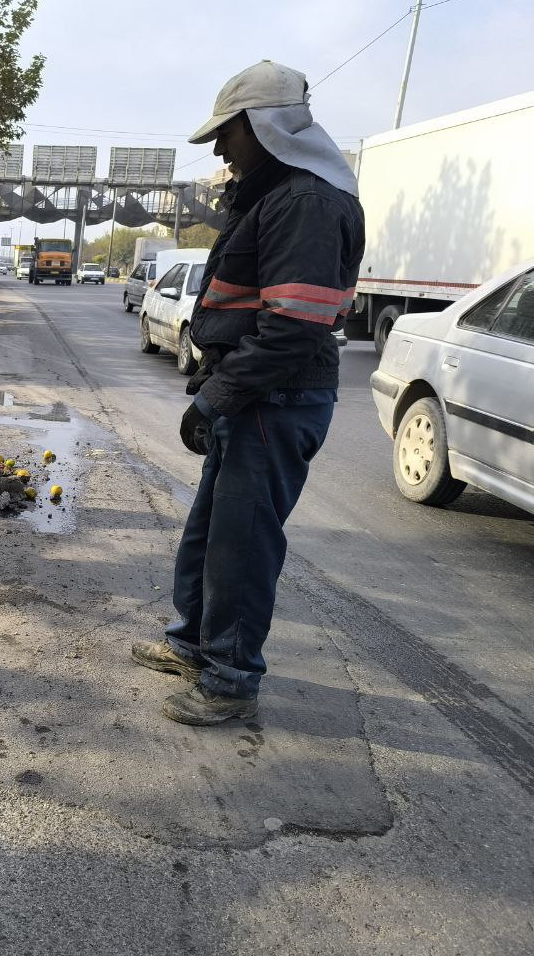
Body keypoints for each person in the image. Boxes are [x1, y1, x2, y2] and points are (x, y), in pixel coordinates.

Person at [130, 61, 365, 725]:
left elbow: (291, 329)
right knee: (211, 533)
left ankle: (230, 680)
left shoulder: (306, 202)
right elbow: (250, 310)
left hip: (277, 400)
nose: (218, 149)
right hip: (254, 396)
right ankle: (193, 646)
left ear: (265, 128)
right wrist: (215, 384)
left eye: (226, 133)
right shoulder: (275, 195)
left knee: (242, 546)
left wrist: (216, 396)